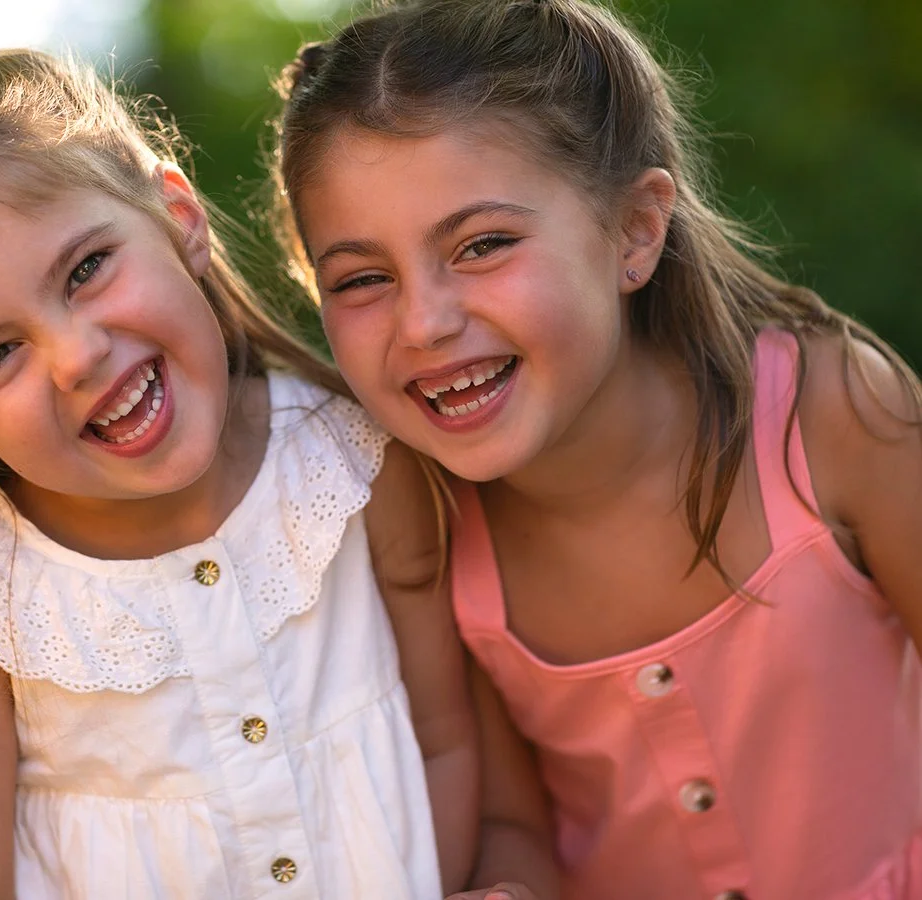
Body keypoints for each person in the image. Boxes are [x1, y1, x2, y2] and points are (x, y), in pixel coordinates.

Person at [0, 46, 541, 900]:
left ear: (177, 218)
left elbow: (447, 743)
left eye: (86, 270)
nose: (78, 355)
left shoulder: (351, 468)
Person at [270, 0, 922, 897]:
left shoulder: (829, 413)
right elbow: (513, 826)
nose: (424, 322)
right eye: (363, 279)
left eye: (483, 244)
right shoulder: (423, 527)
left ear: (635, 230)